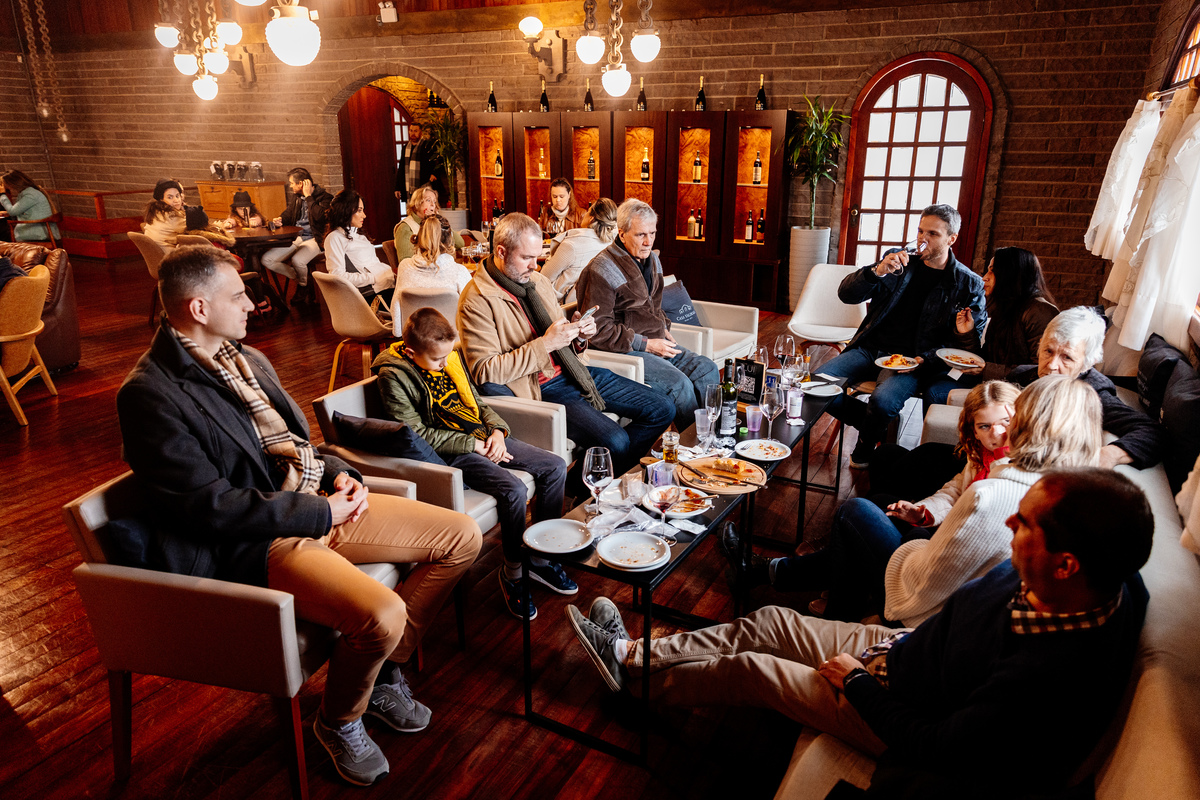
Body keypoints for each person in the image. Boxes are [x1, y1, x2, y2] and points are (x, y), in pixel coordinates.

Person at [117, 245, 482, 788]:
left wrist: (336, 473)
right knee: (382, 614)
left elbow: (295, 445)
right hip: (259, 541)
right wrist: (319, 511)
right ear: (198, 309)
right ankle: (338, 720)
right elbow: (207, 507)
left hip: (312, 504)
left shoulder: (247, 358)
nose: (251, 303)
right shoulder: (149, 395)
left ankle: (381, 675)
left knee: (462, 536)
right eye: (238, 294)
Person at [568, 466, 1153, 798]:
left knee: (751, 669)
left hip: (891, 709)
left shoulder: (1047, 674)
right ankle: (633, 652)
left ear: (1068, 563)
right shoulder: (1096, 581)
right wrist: (887, 646)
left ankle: (633, 690)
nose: (1007, 525)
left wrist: (861, 686)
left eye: (1024, 525)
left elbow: (937, 748)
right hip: (897, 653)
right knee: (772, 620)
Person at [728, 375, 1101, 625]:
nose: (999, 432)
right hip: (937, 549)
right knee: (881, 497)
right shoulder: (1002, 468)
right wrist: (923, 513)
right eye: (984, 426)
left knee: (855, 512)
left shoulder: (1001, 492)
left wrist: (915, 540)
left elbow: (928, 578)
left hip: (924, 587)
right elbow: (955, 491)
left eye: (1010, 421)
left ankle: (832, 610)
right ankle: (781, 575)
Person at [373, 308, 573, 621]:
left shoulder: (450, 358)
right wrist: (474, 445)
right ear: (411, 352)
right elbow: (415, 432)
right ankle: (513, 572)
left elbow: (476, 403)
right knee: (513, 488)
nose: (444, 365)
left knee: (555, 466)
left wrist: (497, 432)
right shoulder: (393, 375)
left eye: (447, 357)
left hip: (479, 434)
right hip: (451, 451)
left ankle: (542, 560)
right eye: (437, 360)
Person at [456, 212, 674, 478]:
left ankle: (583, 481)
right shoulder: (476, 300)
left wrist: (579, 335)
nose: (535, 266)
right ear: (501, 252)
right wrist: (545, 344)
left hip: (575, 373)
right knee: (616, 442)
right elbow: (484, 371)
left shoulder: (536, 282)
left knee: (662, 408)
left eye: (537, 257)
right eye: (526, 258)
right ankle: (599, 485)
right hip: (540, 389)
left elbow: (561, 336)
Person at [819, 204, 987, 469]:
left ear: (951, 239)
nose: (922, 239)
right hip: (870, 348)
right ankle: (872, 423)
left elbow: (965, 343)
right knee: (815, 385)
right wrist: (876, 271)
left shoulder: (968, 283)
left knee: (883, 401)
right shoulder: (897, 261)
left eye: (932, 233)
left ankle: (865, 446)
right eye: (920, 231)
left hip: (913, 360)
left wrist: (925, 360)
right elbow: (846, 295)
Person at [574, 198, 720, 430]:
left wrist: (662, 326)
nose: (648, 241)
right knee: (679, 384)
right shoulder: (601, 269)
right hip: (625, 350)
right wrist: (646, 344)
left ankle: (713, 434)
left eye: (652, 233)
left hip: (656, 342)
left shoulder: (653, 260)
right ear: (621, 234)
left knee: (706, 368)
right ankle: (694, 445)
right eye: (641, 234)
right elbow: (597, 330)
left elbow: (654, 306)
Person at [1008, 305, 1166, 470]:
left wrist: (1108, 455)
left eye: (1067, 357)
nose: (1052, 365)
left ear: (1087, 363)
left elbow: (1153, 433)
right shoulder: (1020, 377)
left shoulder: (1093, 395)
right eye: (1048, 351)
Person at [265, 168, 332, 306]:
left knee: (297, 260)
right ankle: (303, 278)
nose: (290, 186)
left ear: (301, 184)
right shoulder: (296, 199)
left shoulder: (326, 198)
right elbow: (288, 215)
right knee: (267, 260)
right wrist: (280, 220)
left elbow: (320, 217)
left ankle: (302, 286)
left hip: (316, 239)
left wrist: (308, 197)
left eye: (292, 183)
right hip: (297, 238)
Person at [323, 189, 396, 309]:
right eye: (359, 210)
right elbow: (337, 276)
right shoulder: (335, 238)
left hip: (385, 287)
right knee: (414, 306)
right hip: (370, 297)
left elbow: (373, 264)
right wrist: (373, 277)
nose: (364, 215)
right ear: (346, 211)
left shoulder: (359, 235)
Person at [540, 197, 617, 304]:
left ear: (591, 218)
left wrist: (550, 258)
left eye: (588, 212)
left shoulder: (571, 244)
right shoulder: (612, 245)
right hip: (593, 304)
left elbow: (544, 277)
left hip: (562, 307)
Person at [392, 213, 472, 306]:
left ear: (419, 238)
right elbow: (472, 312)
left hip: (412, 320)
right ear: (449, 240)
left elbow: (396, 309)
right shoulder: (460, 272)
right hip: (449, 321)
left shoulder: (404, 268)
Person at [394, 184, 464, 264]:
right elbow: (405, 263)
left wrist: (440, 221)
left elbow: (460, 244)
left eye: (434, 201)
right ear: (417, 203)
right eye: (428, 200)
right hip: (421, 272)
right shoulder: (405, 227)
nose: (433, 204)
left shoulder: (437, 223)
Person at [142, 179, 211, 251]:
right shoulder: (170, 216)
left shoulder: (156, 212)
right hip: (172, 257)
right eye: (170, 197)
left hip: (158, 255)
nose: (176, 200)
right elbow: (197, 228)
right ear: (161, 199)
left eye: (177, 196)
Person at [0, 169, 60, 242]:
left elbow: (13, 211)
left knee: (4, 236)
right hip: (37, 229)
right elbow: (19, 210)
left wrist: (2, 194)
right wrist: (7, 213)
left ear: (12, 183)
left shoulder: (30, 195)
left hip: (39, 233)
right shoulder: (28, 192)